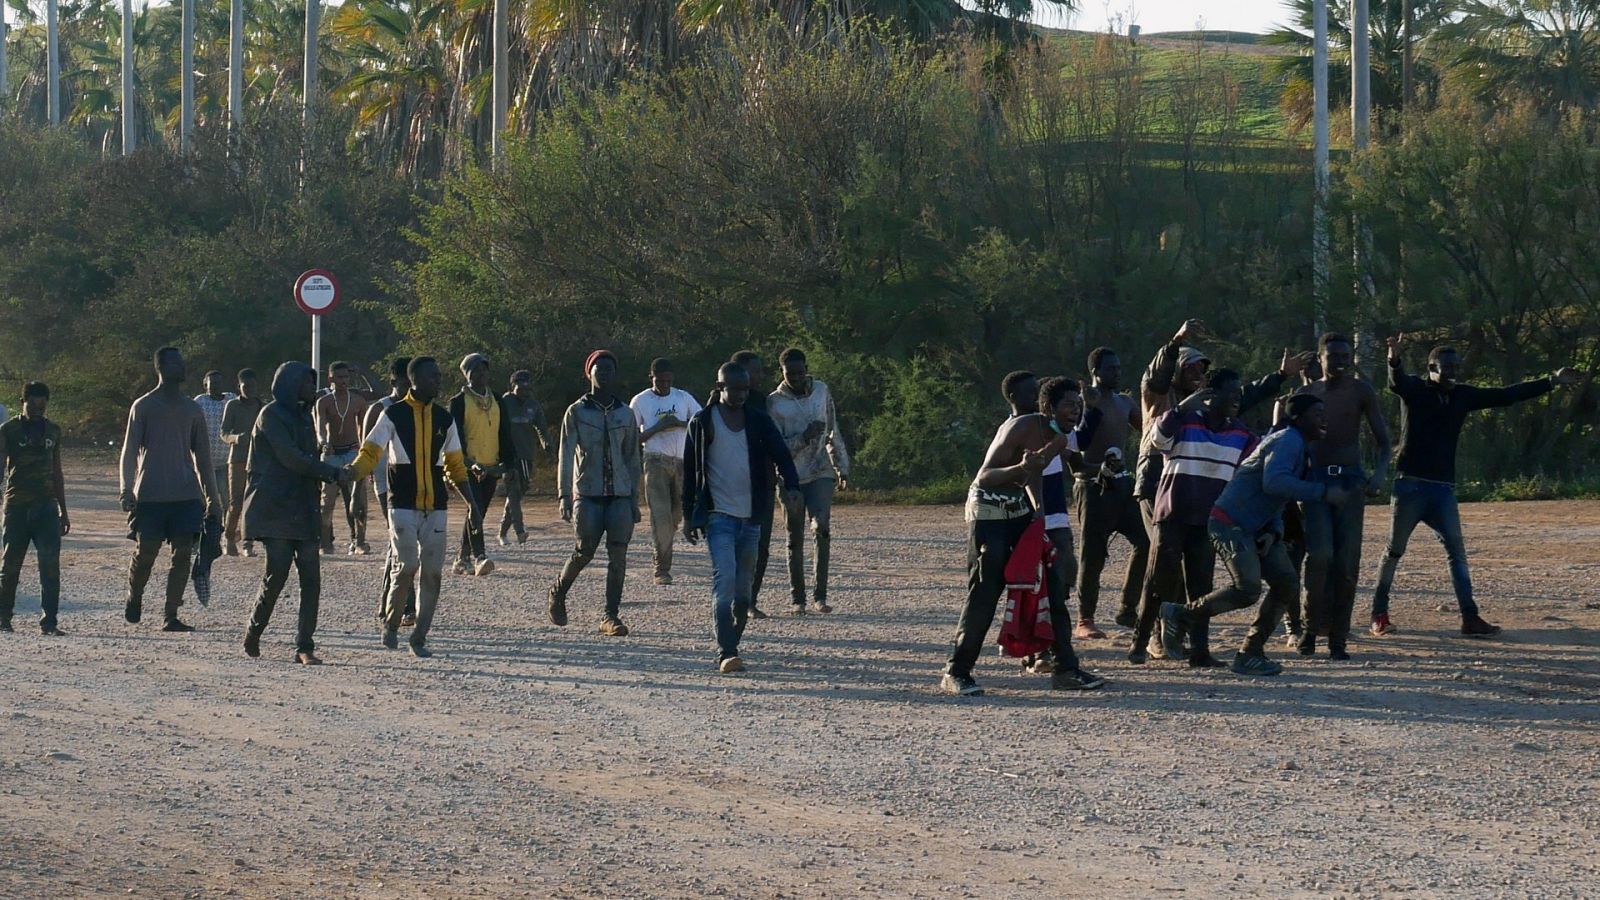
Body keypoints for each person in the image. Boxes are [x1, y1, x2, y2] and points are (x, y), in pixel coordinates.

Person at [1370, 335, 1581, 638]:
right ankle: (1379, 614)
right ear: (1432, 367)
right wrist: (1393, 359)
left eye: (1457, 366)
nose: (1454, 372)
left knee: (1456, 552)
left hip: (1443, 488)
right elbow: (1396, 382)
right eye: (1447, 367)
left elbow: (1505, 395)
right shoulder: (1416, 390)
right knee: (1394, 551)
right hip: (1411, 485)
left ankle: (1470, 618)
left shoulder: (1462, 396)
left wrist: (1551, 381)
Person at [940, 371, 1107, 697]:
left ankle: (1066, 670)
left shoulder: (1060, 436)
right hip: (988, 511)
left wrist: (1039, 517)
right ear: (1048, 407)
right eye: (1070, 406)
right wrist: (1022, 469)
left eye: (1079, 406)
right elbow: (987, 476)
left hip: (1020, 511)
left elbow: (1035, 476)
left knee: (1053, 585)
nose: (1077, 412)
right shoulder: (1023, 426)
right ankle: (956, 671)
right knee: (986, 591)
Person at [1160, 393, 1351, 676]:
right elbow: (1275, 482)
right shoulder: (1288, 440)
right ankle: (1181, 614)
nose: (1324, 418)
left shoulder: (1297, 444)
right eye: (1317, 413)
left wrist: (1274, 530)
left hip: (1256, 528)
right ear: (1298, 418)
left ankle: (1251, 652)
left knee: (1286, 584)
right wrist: (1323, 492)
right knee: (1247, 588)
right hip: (1229, 523)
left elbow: (1275, 496)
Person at [345, 357, 475, 658]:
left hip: (437, 508)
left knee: (432, 573)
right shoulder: (393, 415)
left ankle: (419, 636)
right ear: (414, 380)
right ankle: (390, 623)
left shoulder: (445, 419)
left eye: (439, 376)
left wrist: (473, 505)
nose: (438, 382)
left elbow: (456, 466)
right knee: (406, 567)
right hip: (401, 505)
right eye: (433, 377)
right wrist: (352, 476)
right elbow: (370, 451)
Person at [1133, 371, 1258, 667]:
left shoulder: (1241, 434)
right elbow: (1157, 439)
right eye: (1232, 393)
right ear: (1210, 395)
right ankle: (1139, 643)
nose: (1237, 398)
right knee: (1157, 582)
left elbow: (1255, 465)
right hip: (1172, 516)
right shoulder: (1184, 422)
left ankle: (1200, 651)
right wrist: (1181, 408)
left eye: (1240, 394)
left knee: (1201, 586)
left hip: (1207, 521)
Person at [683, 363, 802, 673]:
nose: (739, 395)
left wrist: (791, 485)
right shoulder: (702, 422)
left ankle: (731, 640)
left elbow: (781, 455)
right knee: (724, 581)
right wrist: (688, 515)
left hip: (751, 516)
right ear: (720, 387)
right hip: (717, 516)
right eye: (734, 389)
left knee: (743, 591)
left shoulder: (759, 421)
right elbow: (690, 474)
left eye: (744, 390)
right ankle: (726, 651)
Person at [242, 362, 347, 665]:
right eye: (306, 384)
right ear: (289, 384)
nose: (312, 390)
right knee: (276, 576)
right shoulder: (270, 415)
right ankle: (254, 631)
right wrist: (331, 472)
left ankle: (304, 646)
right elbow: (290, 458)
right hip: (275, 509)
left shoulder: (304, 416)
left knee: (311, 579)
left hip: (303, 506)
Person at [1297, 333, 1391, 660]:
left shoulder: (1361, 391)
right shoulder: (1307, 394)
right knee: (1320, 555)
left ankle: (1338, 638)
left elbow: (1385, 443)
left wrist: (1378, 476)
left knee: (1347, 563)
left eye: (1345, 356)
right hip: (1317, 484)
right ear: (1319, 359)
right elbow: (1289, 437)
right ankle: (1309, 631)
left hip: (1351, 483)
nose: (1340, 362)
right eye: (1333, 356)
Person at [119, 347, 222, 633]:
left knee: (183, 555)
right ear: (161, 368)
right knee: (146, 553)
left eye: (182, 362)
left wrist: (214, 499)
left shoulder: (193, 409)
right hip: (150, 494)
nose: (182, 367)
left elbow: (203, 458)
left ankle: (171, 614)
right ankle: (134, 595)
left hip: (186, 495)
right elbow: (129, 452)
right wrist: (126, 489)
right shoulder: (143, 407)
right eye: (176, 363)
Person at [547, 350, 643, 637]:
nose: (603, 373)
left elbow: (632, 459)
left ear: (616, 374)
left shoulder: (626, 413)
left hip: (620, 495)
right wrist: (564, 495)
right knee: (584, 550)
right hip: (587, 493)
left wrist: (635, 499)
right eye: (598, 368)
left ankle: (610, 615)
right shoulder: (576, 412)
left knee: (619, 556)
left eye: (609, 369)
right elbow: (565, 456)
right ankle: (558, 591)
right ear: (588, 373)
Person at [768, 348, 851, 614]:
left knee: (822, 527)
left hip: (820, 471)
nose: (796, 377)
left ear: (806, 368)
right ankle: (797, 598)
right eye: (790, 373)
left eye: (800, 372)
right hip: (791, 475)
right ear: (782, 372)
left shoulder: (821, 391)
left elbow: (833, 429)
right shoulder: (775, 403)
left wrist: (842, 466)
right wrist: (803, 437)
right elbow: (776, 447)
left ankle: (821, 596)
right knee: (794, 536)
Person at [1072, 347, 1147, 637]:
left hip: (1123, 484)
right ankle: (1085, 619)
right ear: (1095, 372)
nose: (1117, 372)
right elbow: (1076, 445)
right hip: (1091, 486)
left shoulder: (1125, 402)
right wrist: (1089, 409)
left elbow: (1150, 432)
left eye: (1118, 367)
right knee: (1093, 555)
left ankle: (1127, 609)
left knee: (1146, 541)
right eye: (1111, 369)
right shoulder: (1081, 403)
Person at [0, 382, 69, 636]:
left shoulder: (54, 430)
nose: (38, 409)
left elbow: (57, 472)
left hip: (46, 508)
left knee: (50, 566)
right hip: (17, 506)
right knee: (10, 566)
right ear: (23, 402)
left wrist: (64, 510)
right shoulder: (8, 430)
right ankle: (4, 618)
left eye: (42, 405)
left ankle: (49, 622)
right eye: (33, 404)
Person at [630, 357, 702, 585]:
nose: (665, 385)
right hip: (655, 461)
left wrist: (680, 423)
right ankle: (662, 568)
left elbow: (700, 423)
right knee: (660, 516)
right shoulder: (641, 401)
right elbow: (632, 438)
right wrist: (659, 427)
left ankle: (661, 549)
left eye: (668, 381)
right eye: (660, 381)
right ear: (651, 377)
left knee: (676, 515)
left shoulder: (683, 397)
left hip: (681, 462)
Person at [449, 353, 514, 577]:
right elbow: (455, 437)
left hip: (491, 465)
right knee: (474, 508)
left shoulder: (497, 399)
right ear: (467, 375)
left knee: (478, 511)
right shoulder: (458, 402)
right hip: (468, 467)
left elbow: (504, 432)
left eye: (484, 370)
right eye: (476, 371)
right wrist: (467, 462)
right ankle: (480, 557)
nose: (481, 374)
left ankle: (461, 557)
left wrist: (509, 463)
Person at [730, 350, 782, 617]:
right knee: (733, 542)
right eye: (756, 370)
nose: (761, 375)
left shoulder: (763, 402)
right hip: (730, 484)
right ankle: (731, 597)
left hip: (761, 482)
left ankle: (749, 599)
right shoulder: (719, 403)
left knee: (760, 544)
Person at [364, 358, 416, 625]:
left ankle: (388, 601)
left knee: (400, 544)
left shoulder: (419, 407)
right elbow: (367, 450)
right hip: (387, 486)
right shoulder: (379, 409)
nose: (412, 386)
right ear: (394, 382)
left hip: (415, 484)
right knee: (402, 543)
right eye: (407, 381)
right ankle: (405, 606)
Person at [314, 361, 372, 555]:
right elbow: (320, 426)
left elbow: (363, 429)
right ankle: (325, 543)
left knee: (358, 500)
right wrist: (323, 443)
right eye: (339, 377)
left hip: (352, 452)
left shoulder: (357, 400)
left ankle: (359, 542)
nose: (343, 381)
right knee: (326, 503)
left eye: (346, 377)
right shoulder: (323, 402)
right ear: (331, 378)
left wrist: (363, 452)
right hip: (331, 454)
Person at [499, 369, 552, 545]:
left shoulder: (533, 405)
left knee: (518, 493)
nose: (524, 392)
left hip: (526, 454)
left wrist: (547, 445)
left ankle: (502, 532)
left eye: (527, 389)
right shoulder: (504, 402)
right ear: (512, 386)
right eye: (520, 388)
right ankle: (520, 531)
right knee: (513, 491)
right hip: (508, 456)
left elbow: (541, 427)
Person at [220, 369, 265, 557]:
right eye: (246, 386)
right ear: (239, 387)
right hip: (237, 459)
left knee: (254, 502)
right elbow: (223, 433)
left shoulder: (263, 407)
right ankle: (229, 537)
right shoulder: (232, 406)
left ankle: (248, 542)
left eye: (253, 386)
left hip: (258, 460)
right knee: (236, 502)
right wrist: (236, 438)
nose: (250, 390)